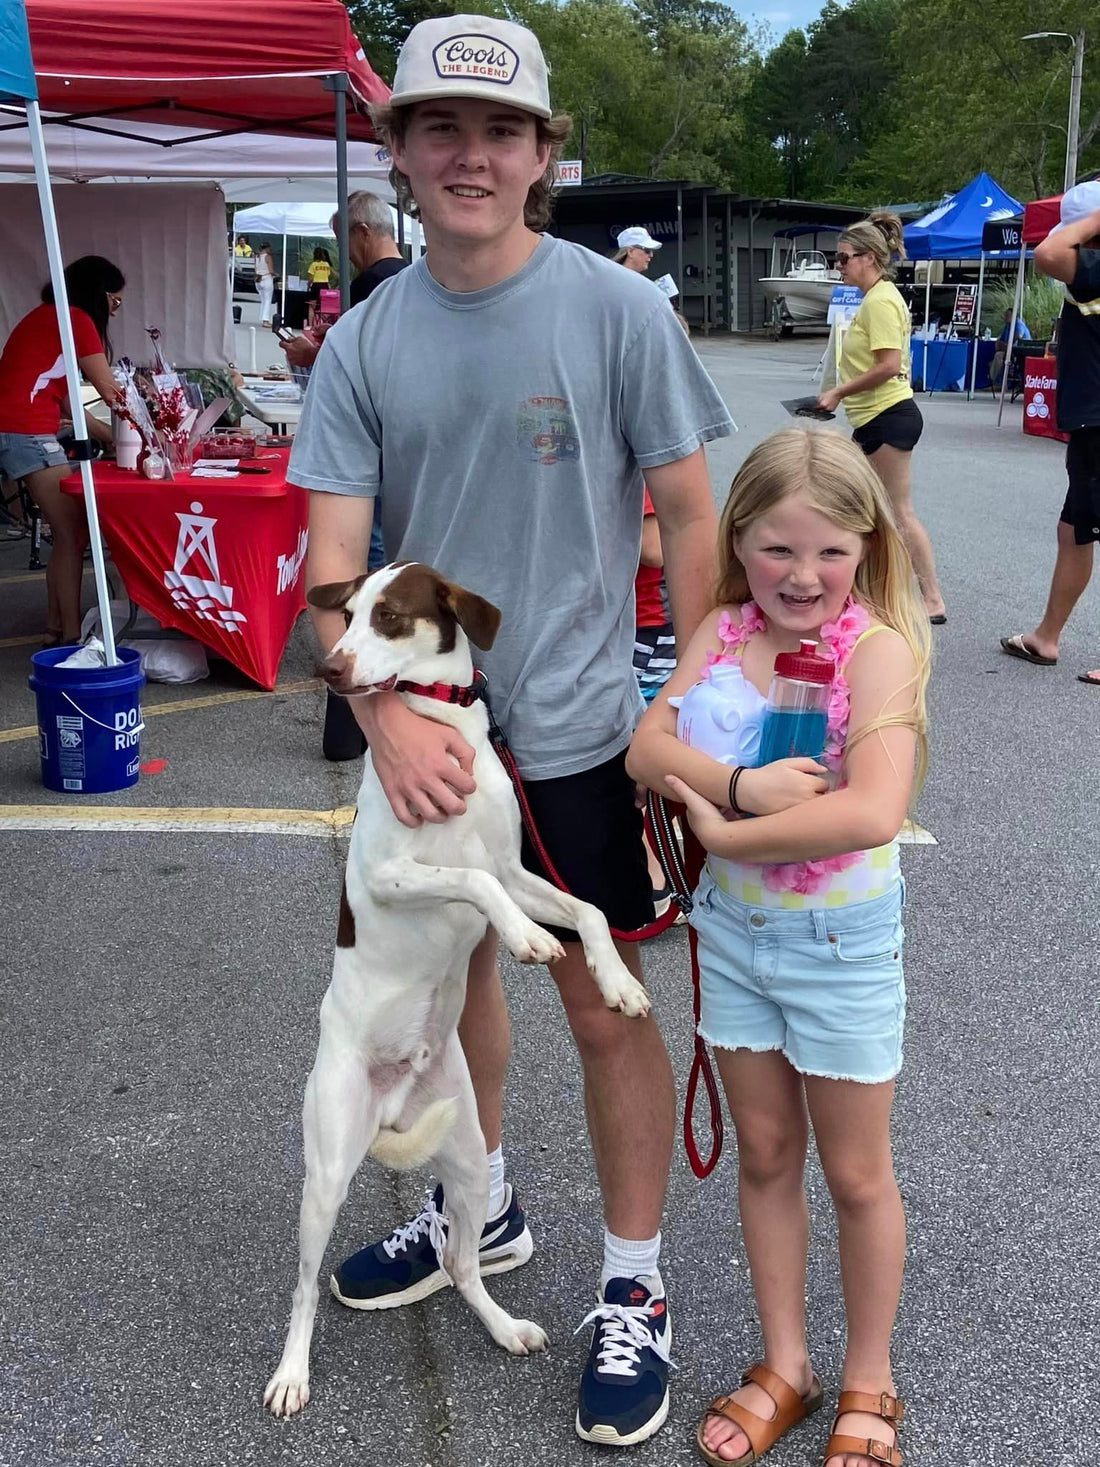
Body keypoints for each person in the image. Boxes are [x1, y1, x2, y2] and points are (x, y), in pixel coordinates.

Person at [286, 11, 733, 1445]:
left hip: (590, 724)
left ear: (542, 153)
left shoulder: (618, 310)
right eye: (438, 129)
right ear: (403, 152)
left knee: (604, 1003)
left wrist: (685, 701)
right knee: (450, 985)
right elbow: (327, 580)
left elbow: (692, 515)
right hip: (430, 737)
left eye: (500, 132)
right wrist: (374, 711)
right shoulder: (362, 340)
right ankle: (480, 1205)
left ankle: (635, 1284)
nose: (468, 155)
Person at [628, 426, 930, 1467]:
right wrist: (739, 786)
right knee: (762, 1155)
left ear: (866, 548)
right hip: (736, 936)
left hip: (837, 941)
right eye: (773, 549)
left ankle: (868, 1379)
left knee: (853, 1173)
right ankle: (787, 1363)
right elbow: (647, 744)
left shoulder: (876, 647)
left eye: (829, 551)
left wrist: (721, 834)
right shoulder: (720, 629)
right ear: (737, 542)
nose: (800, 576)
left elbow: (869, 812)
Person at [279, 192, 410, 761]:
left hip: (371, 466)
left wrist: (316, 354)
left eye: (344, 240)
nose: (345, 252)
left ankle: (352, 726)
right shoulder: (412, 281)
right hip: (394, 463)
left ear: (361, 233)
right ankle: (361, 722)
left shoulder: (374, 289)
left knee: (357, 587)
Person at [817, 213, 947, 625]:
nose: (839, 266)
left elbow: (890, 365)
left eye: (843, 258)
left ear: (870, 258)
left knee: (896, 510)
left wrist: (838, 392)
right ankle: (870, 588)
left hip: (889, 414)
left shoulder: (882, 301)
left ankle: (931, 597)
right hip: (874, 417)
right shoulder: (874, 299)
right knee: (868, 507)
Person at [1000, 181, 1100, 686]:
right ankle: (1047, 635)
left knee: (1085, 528)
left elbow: (1047, 253)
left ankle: (1048, 635)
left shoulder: (1094, 268)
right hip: (1091, 424)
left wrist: (1096, 220)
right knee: (1074, 529)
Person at [0, 255, 124, 644]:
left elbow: (72, 404)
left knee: (67, 532)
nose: (116, 311)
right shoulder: (75, 319)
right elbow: (112, 392)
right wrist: (142, 423)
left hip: (20, 430)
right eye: (115, 301)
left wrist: (113, 438)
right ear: (97, 294)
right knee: (72, 533)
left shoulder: (50, 316)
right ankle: (71, 636)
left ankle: (58, 627)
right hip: (27, 433)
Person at [989, 306, 1032, 389]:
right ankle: (998, 382)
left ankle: (995, 381)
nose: (1006, 317)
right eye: (1006, 315)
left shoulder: (1018, 324)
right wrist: (1002, 343)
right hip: (1009, 350)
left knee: (998, 356)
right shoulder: (1007, 326)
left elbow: (1017, 337)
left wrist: (1005, 344)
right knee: (997, 356)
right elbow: (1000, 340)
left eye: (1008, 315)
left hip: (1020, 352)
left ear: (1014, 315)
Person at [254, 242, 276, 327]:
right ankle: (265, 320)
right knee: (268, 300)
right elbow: (270, 270)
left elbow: (255, 269)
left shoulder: (257, 257)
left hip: (258, 279)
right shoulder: (268, 257)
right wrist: (276, 274)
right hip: (266, 279)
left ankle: (263, 318)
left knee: (263, 300)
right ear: (266, 248)